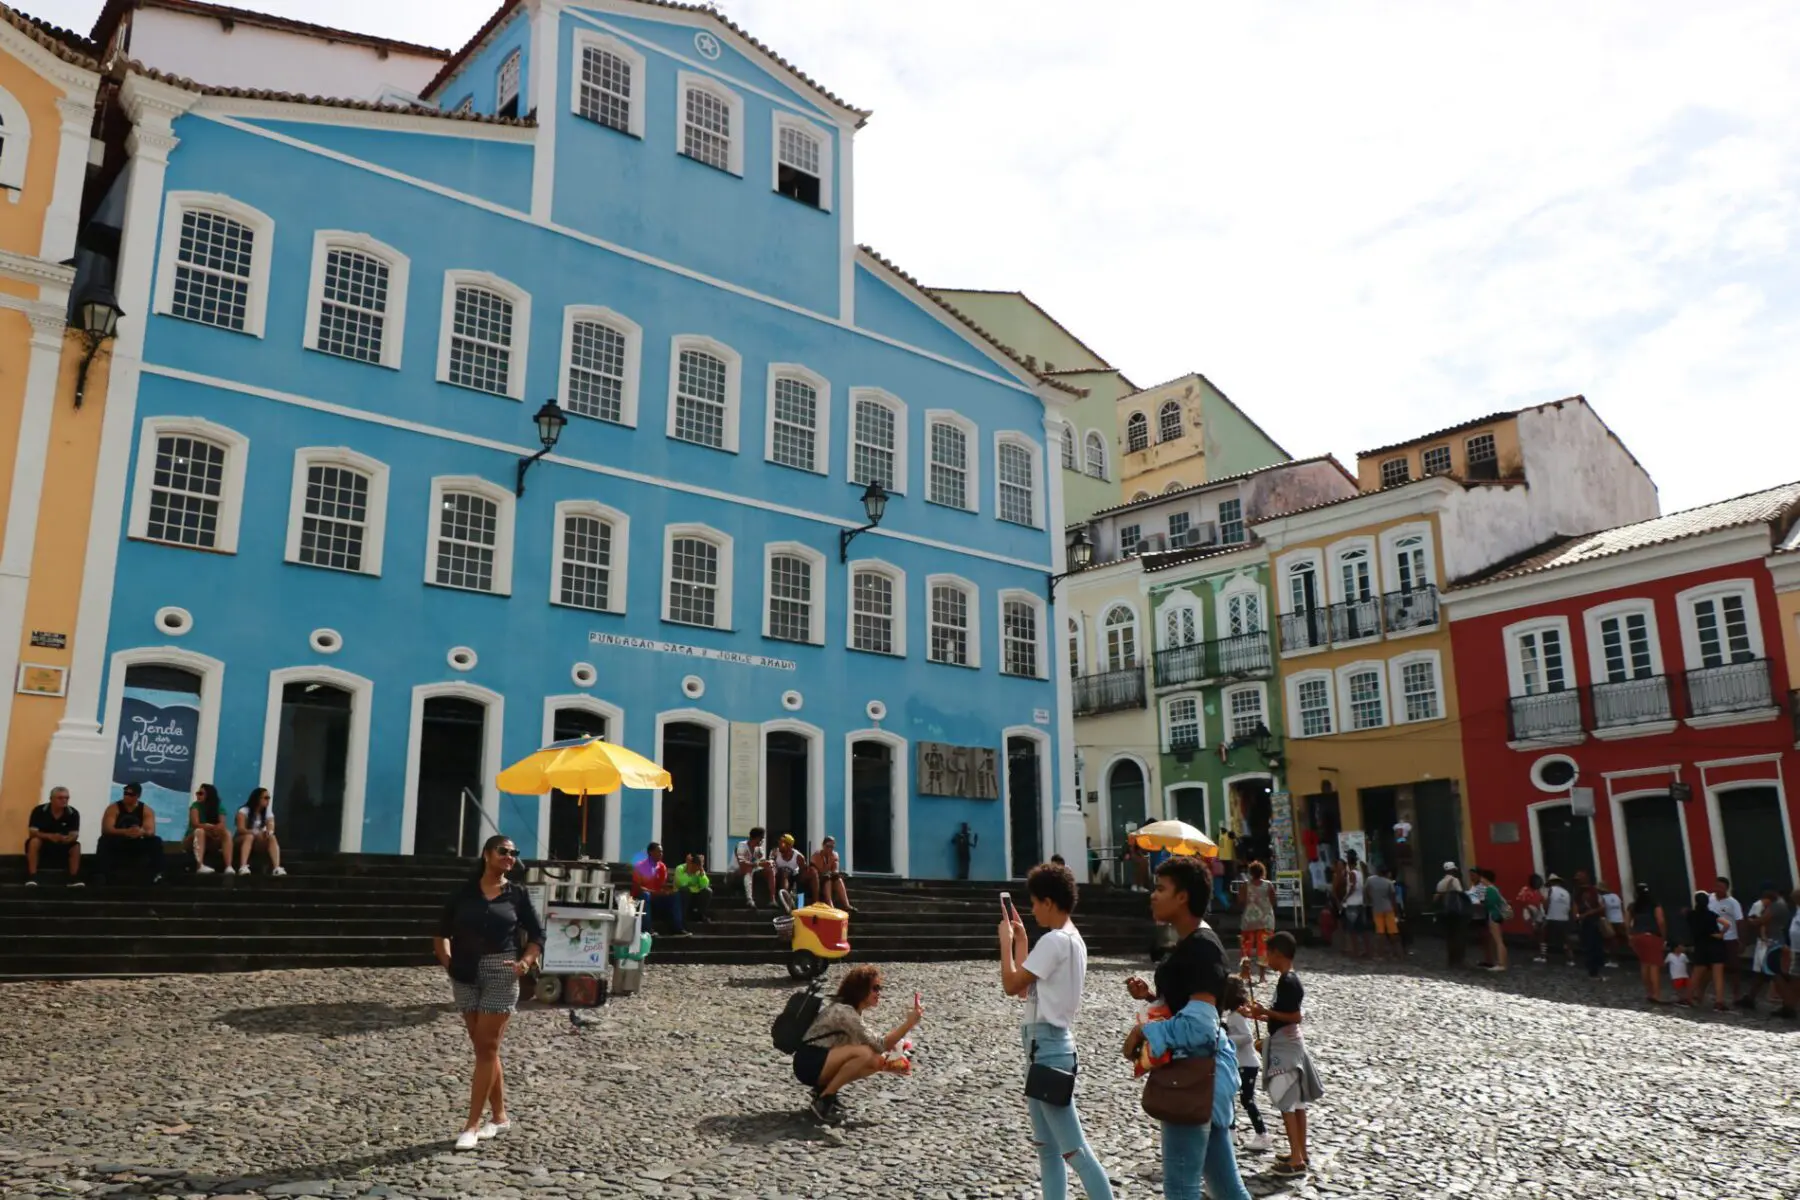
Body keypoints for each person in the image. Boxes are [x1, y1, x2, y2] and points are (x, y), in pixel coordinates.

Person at [1121, 856, 1251, 1200]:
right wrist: (1151, 997)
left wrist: (1145, 1033)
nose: (1152, 895)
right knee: (1226, 1188)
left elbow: (1200, 1027)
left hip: (1194, 1075)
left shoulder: (1201, 948)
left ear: (1183, 897)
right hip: (1201, 1076)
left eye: (1160, 888)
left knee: (1181, 1189)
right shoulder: (1190, 943)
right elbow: (1185, 1005)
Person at [999, 861, 1116, 1200]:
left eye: (1035, 902)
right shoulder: (1071, 939)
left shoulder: (1053, 941)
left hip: (1047, 1049)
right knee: (1048, 1151)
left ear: (1049, 902)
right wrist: (1021, 940)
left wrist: (1004, 943)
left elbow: (1010, 984)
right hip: (1046, 1048)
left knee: (1074, 1151)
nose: (1033, 910)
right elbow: (1027, 987)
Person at [435, 835, 543, 1151]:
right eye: (503, 851)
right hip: (464, 971)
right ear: (486, 854)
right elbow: (441, 934)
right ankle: (499, 1116)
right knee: (484, 1048)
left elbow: (537, 935)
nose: (510, 857)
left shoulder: (517, 895)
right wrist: (448, 963)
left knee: (487, 1046)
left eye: (514, 853)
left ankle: (471, 1125)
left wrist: (525, 962)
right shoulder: (463, 894)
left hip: (501, 970)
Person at [792, 964, 920, 1124]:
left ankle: (823, 1091)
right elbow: (879, 1044)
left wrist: (895, 1050)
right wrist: (909, 1024)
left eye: (880, 988)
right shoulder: (845, 1013)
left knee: (875, 1061)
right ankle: (824, 1099)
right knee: (864, 1053)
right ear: (860, 989)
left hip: (818, 1060)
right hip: (809, 1063)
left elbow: (876, 1044)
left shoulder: (851, 1011)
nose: (879, 993)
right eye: (875, 988)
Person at [1252, 932, 1323, 1178]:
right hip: (1289, 1043)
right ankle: (1301, 1152)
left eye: (1268, 953)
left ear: (1278, 954)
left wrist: (1266, 1012)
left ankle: (1295, 1159)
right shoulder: (1288, 980)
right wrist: (1261, 1014)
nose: (1266, 958)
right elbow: (1282, 1012)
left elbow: (1294, 1016)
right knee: (1298, 1103)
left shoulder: (1288, 981)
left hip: (1286, 1048)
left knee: (1287, 1102)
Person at [1221, 975, 1271, 1153]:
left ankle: (1262, 1134)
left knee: (1247, 1100)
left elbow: (1247, 1037)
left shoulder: (1236, 1017)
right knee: (1230, 1096)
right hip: (1240, 1063)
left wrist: (1226, 1038)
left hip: (1247, 1064)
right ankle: (1231, 1131)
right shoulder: (1234, 1015)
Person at [97, 783, 164, 884]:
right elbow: (107, 829)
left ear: (137, 796)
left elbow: (150, 831)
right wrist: (125, 832)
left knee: (156, 841)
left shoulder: (146, 810)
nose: (126, 796)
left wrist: (141, 832)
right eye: (125, 793)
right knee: (104, 840)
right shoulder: (114, 808)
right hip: (119, 840)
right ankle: (101, 874)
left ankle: (158, 874)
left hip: (137, 842)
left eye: (130, 794)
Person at [1747, 882, 1793, 1014]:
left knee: (1774, 974)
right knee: (1762, 973)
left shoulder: (1776, 906)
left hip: (1772, 943)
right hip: (1773, 941)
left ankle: (1788, 1005)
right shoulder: (1781, 904)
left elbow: (1761, 920)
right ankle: (1750, 998)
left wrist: (1752, 921)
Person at [25, 786, 82, 886]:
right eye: (60, 798)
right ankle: (32, 876)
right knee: (34, 841)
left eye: (66, 798)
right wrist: (49, 836)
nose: (64, 800)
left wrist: (67, 839)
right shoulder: (39, 811)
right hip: (43, 842)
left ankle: (73, 878)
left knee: (76, 846)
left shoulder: (73, 813)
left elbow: (74, 834)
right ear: (51, 799)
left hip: (62, 843)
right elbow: (32, 832)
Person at [1685, 889, 1731, 1011]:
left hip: (1701, 946)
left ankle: (1688, 998)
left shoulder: (1691, 915)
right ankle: (1719, 1002)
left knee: (1696, 974)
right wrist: (1720, 934)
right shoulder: (1711, 914)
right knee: (1718, 975)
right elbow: (1727, 924)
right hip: (1715, 945)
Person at [631, 842, 687, 937]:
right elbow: (638, 888)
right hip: (640, 899)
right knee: (645, 895)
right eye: (658, 852)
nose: (661, 854)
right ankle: (647, 930)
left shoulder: (662, 867)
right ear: (650, 853)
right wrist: (655, 892)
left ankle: (677, 928)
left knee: (675, 895)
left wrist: (668, 891)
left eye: (662, 852)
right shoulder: (640, 866)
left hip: (656, 898)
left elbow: (662, 885)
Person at [1625, 882, 1668, 1004]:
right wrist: (1663, 937)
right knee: (1654, 965)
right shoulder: (1655, 904)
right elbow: (1661, 921)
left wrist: (1630, 936)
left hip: (1637, 936)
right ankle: (1656, 994)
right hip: (1651, 936)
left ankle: (1648, 992)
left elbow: (1627, 923)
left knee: (1644, 964)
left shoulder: (1632, 906)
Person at [1707, 876, 1745, 1006]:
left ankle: (1736, 994)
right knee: (1711, 966)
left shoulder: (1732, 903)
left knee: (1733, 967)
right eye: (1716, 886)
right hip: (1713, 938)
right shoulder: (1709, 899)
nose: (1718, 890)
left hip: (1730, 937)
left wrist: (1741, 940)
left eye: (1721, 888)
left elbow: (1739, 921)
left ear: (1726, 889)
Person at [1237, 862, 1276, 980]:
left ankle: (1246, 973)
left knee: (1246, 947)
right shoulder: (1268, 885)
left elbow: (1240, 900)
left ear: (1250, 873)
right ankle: (1262, 976)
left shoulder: (1245, 885)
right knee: (1263, 948)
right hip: (1265, 920)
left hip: (1249, 919)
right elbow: (1273, 901)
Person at [235, 787, 285, 876]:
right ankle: (243, 866)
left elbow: (271, 825)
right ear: (257, 799)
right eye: (266, 798)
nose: (268, 800)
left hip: (257, 841)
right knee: (249, 837)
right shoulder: (244, 810)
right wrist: (255, 832)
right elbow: (240, 829)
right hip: (241, 839)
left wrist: (268, 832)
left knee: (272, 837)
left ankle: (277, 867)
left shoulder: (267, 812)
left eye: (269, 798)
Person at [184, 784, 232, 875]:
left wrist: (215, 829)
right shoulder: (195, 806)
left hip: (211, 838)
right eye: (197, 793)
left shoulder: (219, 806)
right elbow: (195, 824)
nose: (198, 796)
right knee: (200, 831)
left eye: (201, 793)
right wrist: (207, 826)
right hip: (193, 839)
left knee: (227, 833)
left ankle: (228, 866)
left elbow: (222, 824)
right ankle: (199, 865)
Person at [1573, 871, 1607, 979]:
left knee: (1595, 945)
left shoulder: (1594, 891)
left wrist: (1587, 914)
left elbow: (1602, 907)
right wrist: (1577, 916)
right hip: (1585, 922)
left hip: (1593, 921)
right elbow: (1575, 905)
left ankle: (1595, 968)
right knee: (1589, 946)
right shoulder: (1577, 892)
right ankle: (1593, 969)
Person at [732, 826, 776, 908]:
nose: (762, 840)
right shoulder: (741, 845)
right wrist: (759, 864)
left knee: (770, 869)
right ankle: (749, 900)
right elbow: (742, 864)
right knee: (748, 868)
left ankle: (772, 900)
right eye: (762, 838)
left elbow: (761, 863)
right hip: (735, 873)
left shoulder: (759, 849)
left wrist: (769, 862)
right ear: (757, 838)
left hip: (752, 873)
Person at [1435, 862, 1468, 968]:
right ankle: (1459, 960)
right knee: (1458, 935)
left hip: (1445, 912)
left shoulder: (1440, 883)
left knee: (1449, 937)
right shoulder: (1454, 880)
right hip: (1456, 912)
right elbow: (1460, 892)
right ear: (1453, 870)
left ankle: (1451, 960)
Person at [1363, 863, 1399, 960]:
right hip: (1388, 908)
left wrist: (1369, 900)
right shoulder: (1389, 883)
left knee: (1380, 932)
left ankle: (1380, 953)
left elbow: (1365, 891)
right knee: (1392, 932)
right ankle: (1395, 952)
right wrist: (1396, 911)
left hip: (1376, 908)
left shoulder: (1370, 880)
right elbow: (1393, 898)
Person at [808, 836, 853, 911]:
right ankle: (830, 904)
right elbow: (817, 871)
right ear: (823, 845)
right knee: (827, 879)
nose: (830, 849)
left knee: (838, 880)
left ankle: (846, 905)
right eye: (828, 846)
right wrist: (829, 872)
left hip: (829, 877)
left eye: (832, 847)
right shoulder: (816, 855)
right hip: (818, 880)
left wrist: (834, 872)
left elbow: (835, 869)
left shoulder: (834, 855)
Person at [1478, 868, 1507, 971]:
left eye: (1482, 878)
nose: (1480, 880)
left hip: (1493, 915)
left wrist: (1482, 903)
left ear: (1486, 878)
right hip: (1497, 915)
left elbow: (1490, 904)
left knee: (1498, 940)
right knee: (1499, 940)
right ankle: (1501, 963)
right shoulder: (1495, 889)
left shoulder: (1489, 889)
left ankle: (1501, 964)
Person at [1540, 873, 1573, 965]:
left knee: (1544, 936)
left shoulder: (1550, 890)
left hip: (1552, 917)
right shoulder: (1566, 892)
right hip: (1564, 918)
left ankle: (1543, 956)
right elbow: (1570, 906)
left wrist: (1545, 913)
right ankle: (1570, 958)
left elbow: (1546, 903)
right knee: (1566, 939)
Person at [673, 853, 712, 925]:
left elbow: (705, 884)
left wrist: (701, 873)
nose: (695, 870)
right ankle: (683, 918)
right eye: (694, 868)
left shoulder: (699, 870)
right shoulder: (680, 868)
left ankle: (699, 915)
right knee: (685, 890)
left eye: (698, 868)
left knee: (708, 891)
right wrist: (688, 871)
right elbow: (681, 883)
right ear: (691, 864)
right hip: (682, 896)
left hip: (695, 896)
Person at [1515, 873, 1546, 959]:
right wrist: (1533, 921)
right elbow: (1523, 903)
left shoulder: (1538, 891)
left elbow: (1542, 901)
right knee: (1536, 933)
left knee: (1540, 934)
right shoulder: (1525, 890)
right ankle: (1538, 952)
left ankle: (1542, 954)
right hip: (1529, 912)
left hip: (1538, 912)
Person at [771, 834, 807, 904]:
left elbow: (803, 871)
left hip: (793, 876)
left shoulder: (799, 857)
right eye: (779, 842)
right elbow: (771, 865)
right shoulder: (775, 852)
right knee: (784, 873)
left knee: (801, 882)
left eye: (781, 843)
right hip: (778, 875)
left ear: (789, 845)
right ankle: (785, 901)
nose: (779, 845)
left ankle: (800, 904)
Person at [1598, 881, 1626, 969]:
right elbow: (1621, 907)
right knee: (1619, 940)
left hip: (1610, 921)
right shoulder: (1616, 896)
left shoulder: (1602, 898)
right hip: (1620, 920)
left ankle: (1613, 960)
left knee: (1611, 942)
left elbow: (1602, 909)